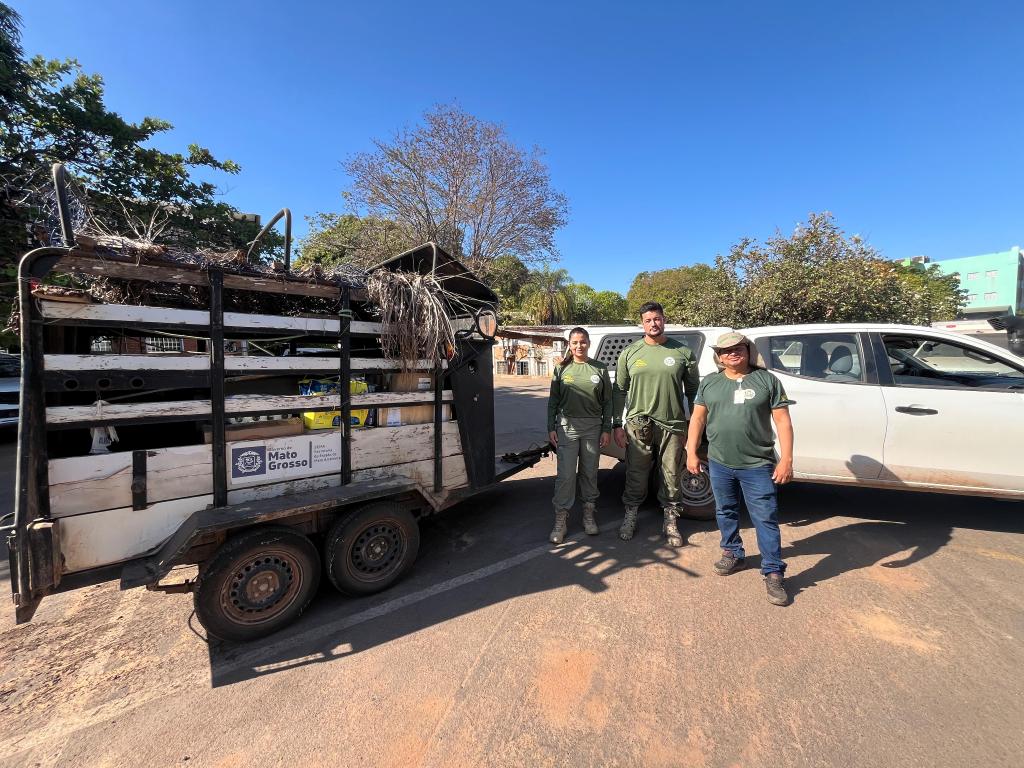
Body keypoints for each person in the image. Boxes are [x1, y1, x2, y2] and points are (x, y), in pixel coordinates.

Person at [685, 331, 795, 605]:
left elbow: (783, 422)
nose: (732, 353)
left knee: (765, 518)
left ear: (748, 351)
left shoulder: (767, 380)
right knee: (725, 511)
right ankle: (733, 553)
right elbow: (698, 420)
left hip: (757, 464)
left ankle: (773, 571)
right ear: (718, 356)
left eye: (738, 348)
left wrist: (786, 459)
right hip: (720, 462)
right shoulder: (710, 383)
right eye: (725, 351)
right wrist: (691, 452)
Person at [612, 302, 699, 546]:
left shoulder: (682, 352)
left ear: (664, 320)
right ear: (642, 323)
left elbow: (693, 392)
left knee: (671, 474)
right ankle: (630, 516)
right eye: (648, 320)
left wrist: (693, 426)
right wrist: (617, 424)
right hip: (638, 424)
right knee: (636, 474)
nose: (653, 323)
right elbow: (619, 391)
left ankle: (670, 521)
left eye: (657, 319)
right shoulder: (630, 353)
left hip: (672, 425)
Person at [547, 327, 613, 544]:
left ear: (588, 343)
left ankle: (588, 513)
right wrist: (551, 427)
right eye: (574, 342)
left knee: (589, 472)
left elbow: (607, 402)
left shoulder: (599, 369)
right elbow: (553, 401)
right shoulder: (561, 369)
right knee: (565, 474)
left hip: (593, 427)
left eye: (582, 342)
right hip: (567, 428)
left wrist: (606, 429)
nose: (579, 346)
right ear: (569, 344)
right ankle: (561, 519)